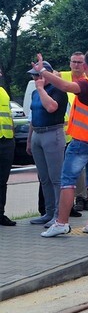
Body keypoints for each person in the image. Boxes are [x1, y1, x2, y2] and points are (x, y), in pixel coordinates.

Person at [36, 50, 88, 238]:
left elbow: (65, 85)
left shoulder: (87, 84)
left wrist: (43, 71)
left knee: (67, 182)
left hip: (84, 139)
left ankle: (61, 223)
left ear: (85, 66)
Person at [25, 61, 68, 226]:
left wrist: (41, 89)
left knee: (56, 177)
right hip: (38, 133)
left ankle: (59, 215)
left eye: (37, 75)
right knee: (44, 177)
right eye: (33, 76)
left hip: (52, 132)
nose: (35, 79)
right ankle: (49, 212)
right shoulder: (35, 92)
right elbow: (33, 116)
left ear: (46, 74)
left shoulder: (58, 90)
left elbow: (51, 107)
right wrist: (29, 139)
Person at [63, 51, 88, 216]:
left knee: (82, 168)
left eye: (80, 62)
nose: (76, 65)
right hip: (65, 132)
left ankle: (83, 197)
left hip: (83, 131)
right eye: (74, 62)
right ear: (70, 63)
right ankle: (77, 199)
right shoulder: (62, 76)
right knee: (71, 169)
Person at [0, 70, 16, 226]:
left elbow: (8, 116)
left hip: (6, 141)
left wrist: (12, 138)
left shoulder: (3, 92)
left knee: (2, 181)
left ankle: (0, 214)